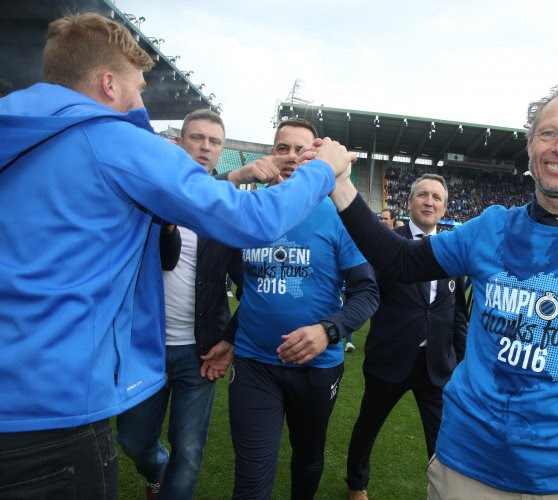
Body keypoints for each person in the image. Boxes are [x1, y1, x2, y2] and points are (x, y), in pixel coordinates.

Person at [0, 13, 352, 499]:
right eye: (137, 87)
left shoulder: (15, 125)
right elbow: (250, 221)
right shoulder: (116, 142)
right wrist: (323, 171)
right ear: (107, 83)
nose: (141, 102)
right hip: (54, 404)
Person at [327, 82, 558, 499]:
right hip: (465, 472)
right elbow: (401, 261)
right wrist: (343, 185)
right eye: (548, 133)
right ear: (530, 145)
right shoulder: (490, 228)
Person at [225, 118, 379, 499]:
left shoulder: (339, 215)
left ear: (317, 155)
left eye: (302, 149)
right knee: (252, 472)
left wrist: (328, 330)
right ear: (270, 154)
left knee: (307, 458)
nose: (291, 157)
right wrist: (231, 333)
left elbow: (367, 291)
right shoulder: (250, 209)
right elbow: (243, 281)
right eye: (282, 148)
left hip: (316, 368)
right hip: (254, 364)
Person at [116, 109, 243, 499]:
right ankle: (157, 468)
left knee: (189, 451)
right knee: (133, 441)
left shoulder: (227, 210)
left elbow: (252, 285)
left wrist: (232, 339)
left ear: (221, 152)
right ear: (179, 142)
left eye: (214, 141)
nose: (205, 146)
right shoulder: (145, 196)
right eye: (197, 137)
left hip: (200, 351)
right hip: (144, 348)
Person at [346, 174, 468, 500]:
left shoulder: (453, 250)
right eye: (423, 195)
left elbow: (457, 312)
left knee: (443, 437)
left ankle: (445, 491)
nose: (429, 201)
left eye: (436, 198)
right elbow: (368, 294)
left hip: (437, 364)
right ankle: (356, 484)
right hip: (391, 358)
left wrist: (463, 359)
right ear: (409, 202)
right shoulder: (386, 244)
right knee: (367, 426)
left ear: (444, 208)